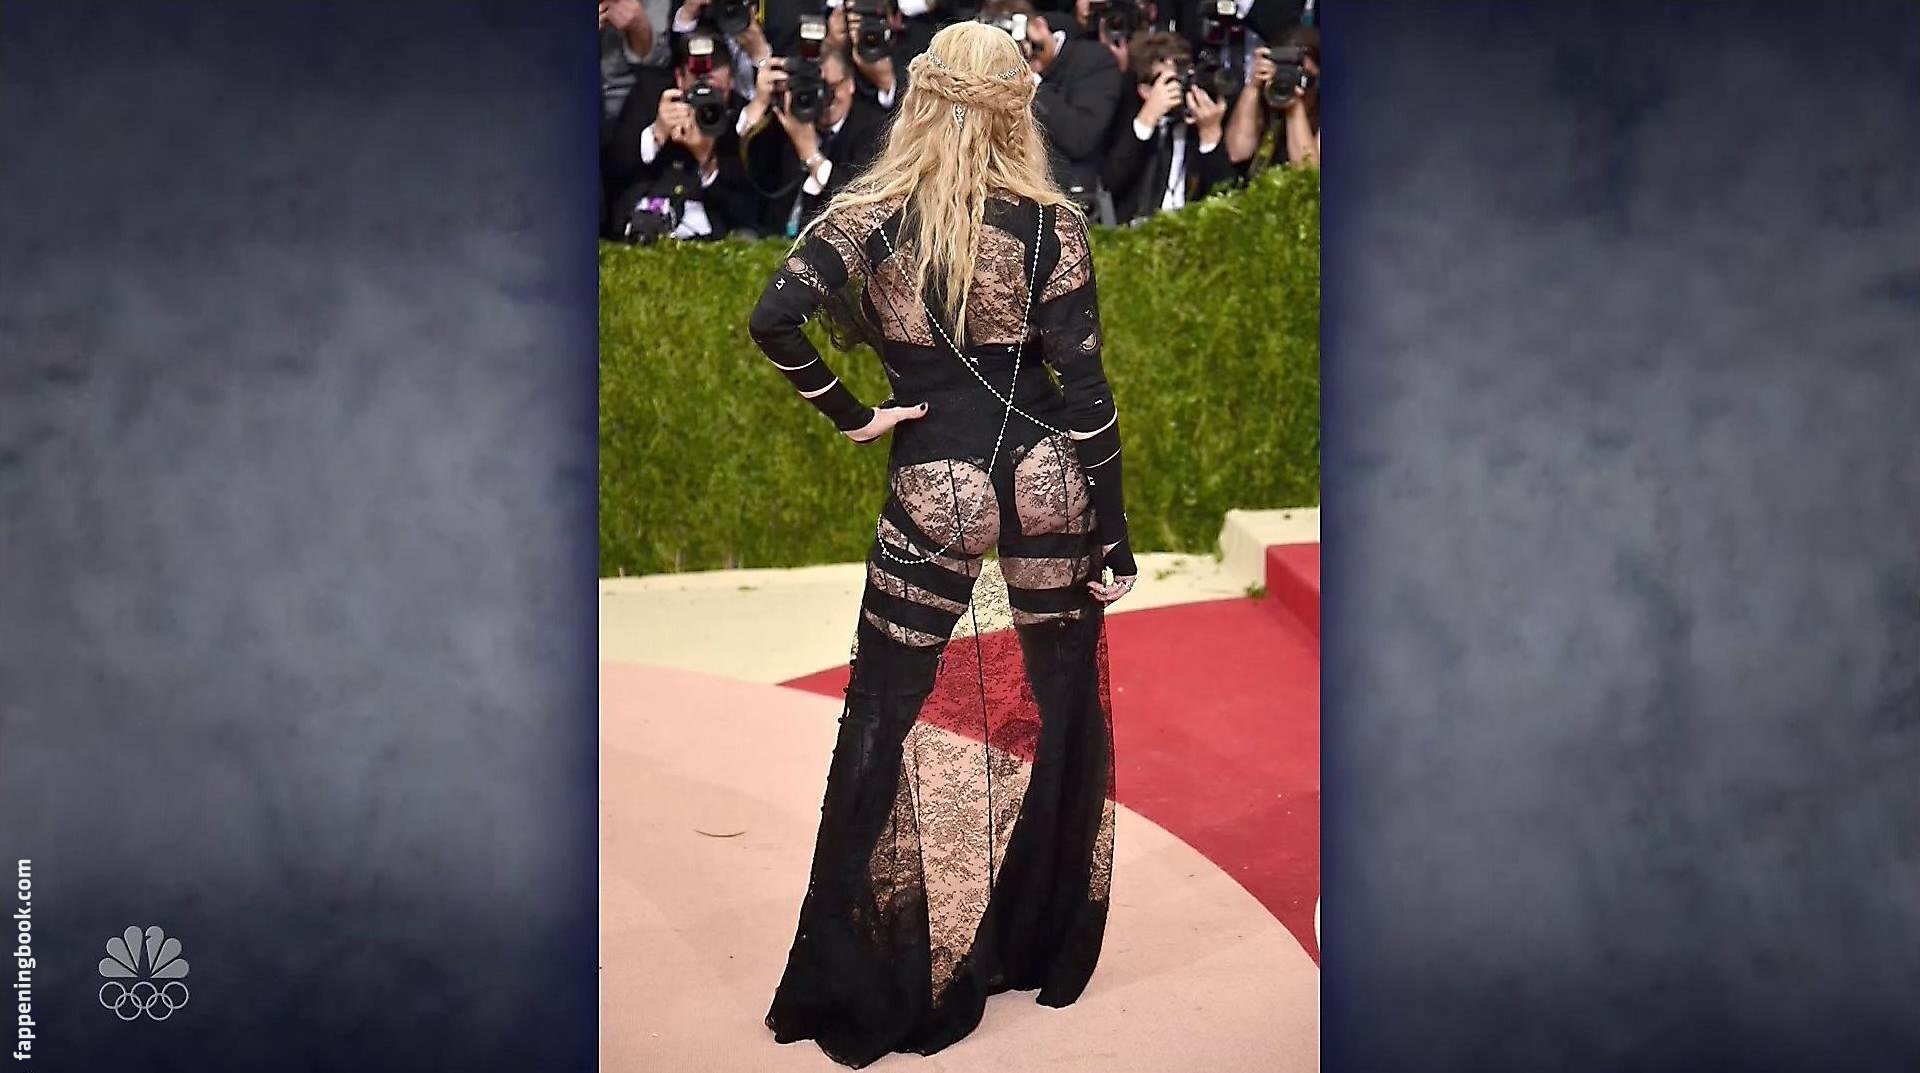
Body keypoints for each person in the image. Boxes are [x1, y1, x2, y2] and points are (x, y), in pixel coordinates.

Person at [747, 19, 1137, 1069]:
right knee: (1061, 707)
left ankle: (859, 969)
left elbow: (773, 319)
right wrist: (1116, 537)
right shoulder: (1053, 224)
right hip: (1049, 475)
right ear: (1018, 111)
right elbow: (1088, 394)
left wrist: (853, 413)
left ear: (921, 99)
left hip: (939, 485)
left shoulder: (866, 217)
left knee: (885, 713)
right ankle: (1041, 946)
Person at [981, 0, 1121, 205]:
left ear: (1040, 26)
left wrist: (1031, 80)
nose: (1025, 50)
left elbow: (1081, 137)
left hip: (1071, 194)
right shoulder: (998, 78)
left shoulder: (1093, 60)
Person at [742, 44, 892, 235]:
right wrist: (760, 102)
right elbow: (750, 178)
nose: (824, 99)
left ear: (850, 84)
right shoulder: (789, 118)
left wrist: (810, 154)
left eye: (831, 88)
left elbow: (857, 201)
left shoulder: (874, 129)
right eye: (816, 89)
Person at [1103, 29, 1234, 222]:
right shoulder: (1128, 122)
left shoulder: (1196, 128)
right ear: (1145, 90)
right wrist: (1147, 119)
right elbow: (1110, 184)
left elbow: (1226, 195)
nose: (1178, 88)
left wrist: (1210, 134)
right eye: (1169, 81)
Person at [1225, 24, 1317, 171]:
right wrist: (1253, 86)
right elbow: (1237, 152)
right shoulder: (1264, 99)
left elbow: (1308, 174)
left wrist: (1294, 106)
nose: (1290, 77)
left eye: (1303, 75)